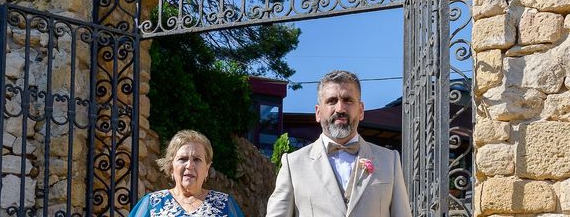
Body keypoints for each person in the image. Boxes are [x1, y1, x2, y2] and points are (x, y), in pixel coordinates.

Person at [266, 70, 412, 217]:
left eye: (348, 100)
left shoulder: (389, 161)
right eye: (332, 101)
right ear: (318, 112)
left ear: (361, 110)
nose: (340, 108)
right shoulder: (293, 164)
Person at [129, 129, 245, 217]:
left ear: (207, 168)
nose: (189, 165)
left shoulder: (225, 204)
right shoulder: (152, 203)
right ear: (171, 166)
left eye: (197, 159)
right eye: (182, 159)